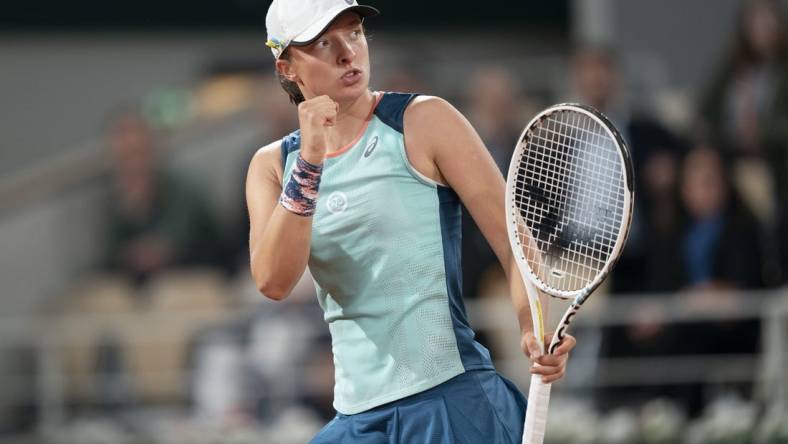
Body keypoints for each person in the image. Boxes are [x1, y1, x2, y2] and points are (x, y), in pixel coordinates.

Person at [245, 1, 576, 442]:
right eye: (324, 43)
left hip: (452, 402)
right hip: (356, 420)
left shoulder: (425, 120)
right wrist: (310, 160)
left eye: (356, 33)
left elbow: (513, 241)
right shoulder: (272, 166)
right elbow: (273, 282)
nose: (349, 52)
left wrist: (532, 326)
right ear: (287, 67)